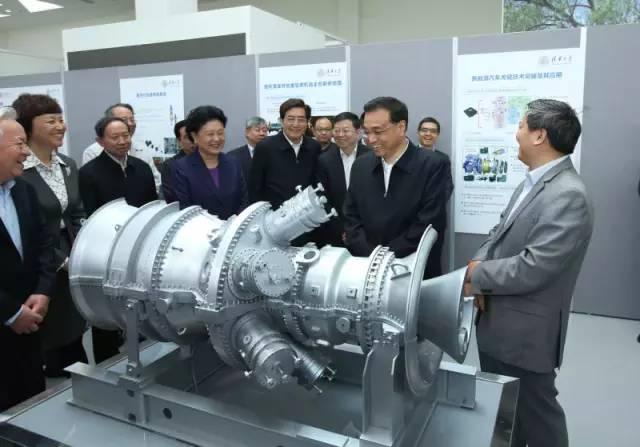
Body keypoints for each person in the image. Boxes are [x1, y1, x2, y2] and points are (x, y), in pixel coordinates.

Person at [464, 99, 594, 447]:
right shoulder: (533, 183)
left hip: (525, 335)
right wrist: (478, 268)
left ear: (539, 135)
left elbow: (534, 267)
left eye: (521, 126)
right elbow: (497, 233)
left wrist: (477, 276)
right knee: (509, 415)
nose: (516, 133)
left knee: (538, 421)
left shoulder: (569, 195)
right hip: (499, 324)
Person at [12, 94, 87, 378]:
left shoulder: (67, 164)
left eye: (61, 119)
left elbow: (76, 212)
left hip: (71, 254)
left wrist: (83, 249)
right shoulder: (19, 169)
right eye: (51, 121)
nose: (60, 126)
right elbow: (30, 230)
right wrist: (61, 261)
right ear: (29, 128)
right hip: (41, 262)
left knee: (73, 324)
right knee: (49, 331)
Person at [79, 116, 158, 363]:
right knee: (106, 306)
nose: (123, 141)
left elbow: (152, 207)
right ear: (100, 141)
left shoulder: (141, 167)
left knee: (141, 303)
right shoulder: (89, 173)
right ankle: (106, 361)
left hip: (139, 248)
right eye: (115, 137)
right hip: (105, 251)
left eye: (126, 135)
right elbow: (91, 216)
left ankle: (146, 352)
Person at [343, 97, 448, 278]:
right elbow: (351, 216)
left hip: (412, 271)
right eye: (367, 132)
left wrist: (383, 258)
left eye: (378, 131)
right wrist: (369, 256)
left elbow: (428, 223)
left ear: (401, 127)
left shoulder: (432, 165)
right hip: (367, 270)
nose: (371, 139)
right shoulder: (361, 165)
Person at [0, 114, 57, 412]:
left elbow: (45, 246)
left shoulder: (24, 190)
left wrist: (43, 291)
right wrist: (11, 313)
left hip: (31, 321)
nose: (26, 152)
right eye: (20, 144)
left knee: (31, 404)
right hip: (7, 318)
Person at [173, 106, 247, 219]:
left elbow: (244, 200)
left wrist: (235, 224)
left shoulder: (233, 163)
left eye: (220, 133)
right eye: (210, 134)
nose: (217, 139)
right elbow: (184, 209)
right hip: (199, 228)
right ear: (194, 136)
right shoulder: (181, 168)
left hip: (233, 228)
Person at [249, 98, 321, 209]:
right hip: (274, 215)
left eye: (301, 119)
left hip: (307, 213)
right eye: (291, 119)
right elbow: (255, 188)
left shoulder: (314, 146)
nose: (296, 124)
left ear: (307, 122)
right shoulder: (265, 147)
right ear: (282, 121)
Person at [316, 112, 370, 247]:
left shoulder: (372, 156)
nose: (340, 135)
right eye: (336, 130)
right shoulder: (324, 160)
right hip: (336, 230)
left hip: (368, 229)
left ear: (358, 132)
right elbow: (323, 198)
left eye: (345, 131)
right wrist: (341, 228)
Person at [81, 103, 161, 190]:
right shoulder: (92, 152)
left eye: (132, 119)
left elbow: (155, 182)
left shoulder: (142, 150)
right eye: (124, 120)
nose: (130, 124)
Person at [416, 116, 454, 276]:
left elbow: (448, 187)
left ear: (437, 135)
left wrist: (432, 207)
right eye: (424, 130)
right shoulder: (409, 156)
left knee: (432, 263)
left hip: (435, 220)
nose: (428, 134)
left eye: (432, 131)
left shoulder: (442, 159)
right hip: (410, 220)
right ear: (418, 132)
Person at [160, 119, 195, 203]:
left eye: (194, 135)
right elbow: (172, 198)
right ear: (179, 141)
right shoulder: (170, 165)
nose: (193, 140)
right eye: (187, 137)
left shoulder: (209, 161)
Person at [228, 116, 268, 182]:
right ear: (247, 132)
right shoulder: (233, 156)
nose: (262, 133)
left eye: (264, 131)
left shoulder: (274, 153)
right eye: (257, 130)